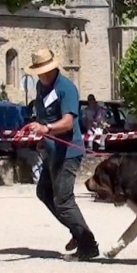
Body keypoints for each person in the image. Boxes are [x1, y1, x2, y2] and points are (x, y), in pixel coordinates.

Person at [25, 48, 99, 261]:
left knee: (64, 200)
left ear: (52, 68)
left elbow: (67, 123)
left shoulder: (66, 88)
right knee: (44, 192)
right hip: (52, 151)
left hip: (69, 151)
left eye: (43, 71)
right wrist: (41, 138)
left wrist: (46, 129)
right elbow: (44, 116)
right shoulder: (40, 87)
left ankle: (88, 244)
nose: (40, 75)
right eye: (38, 71)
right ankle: (76, 230)